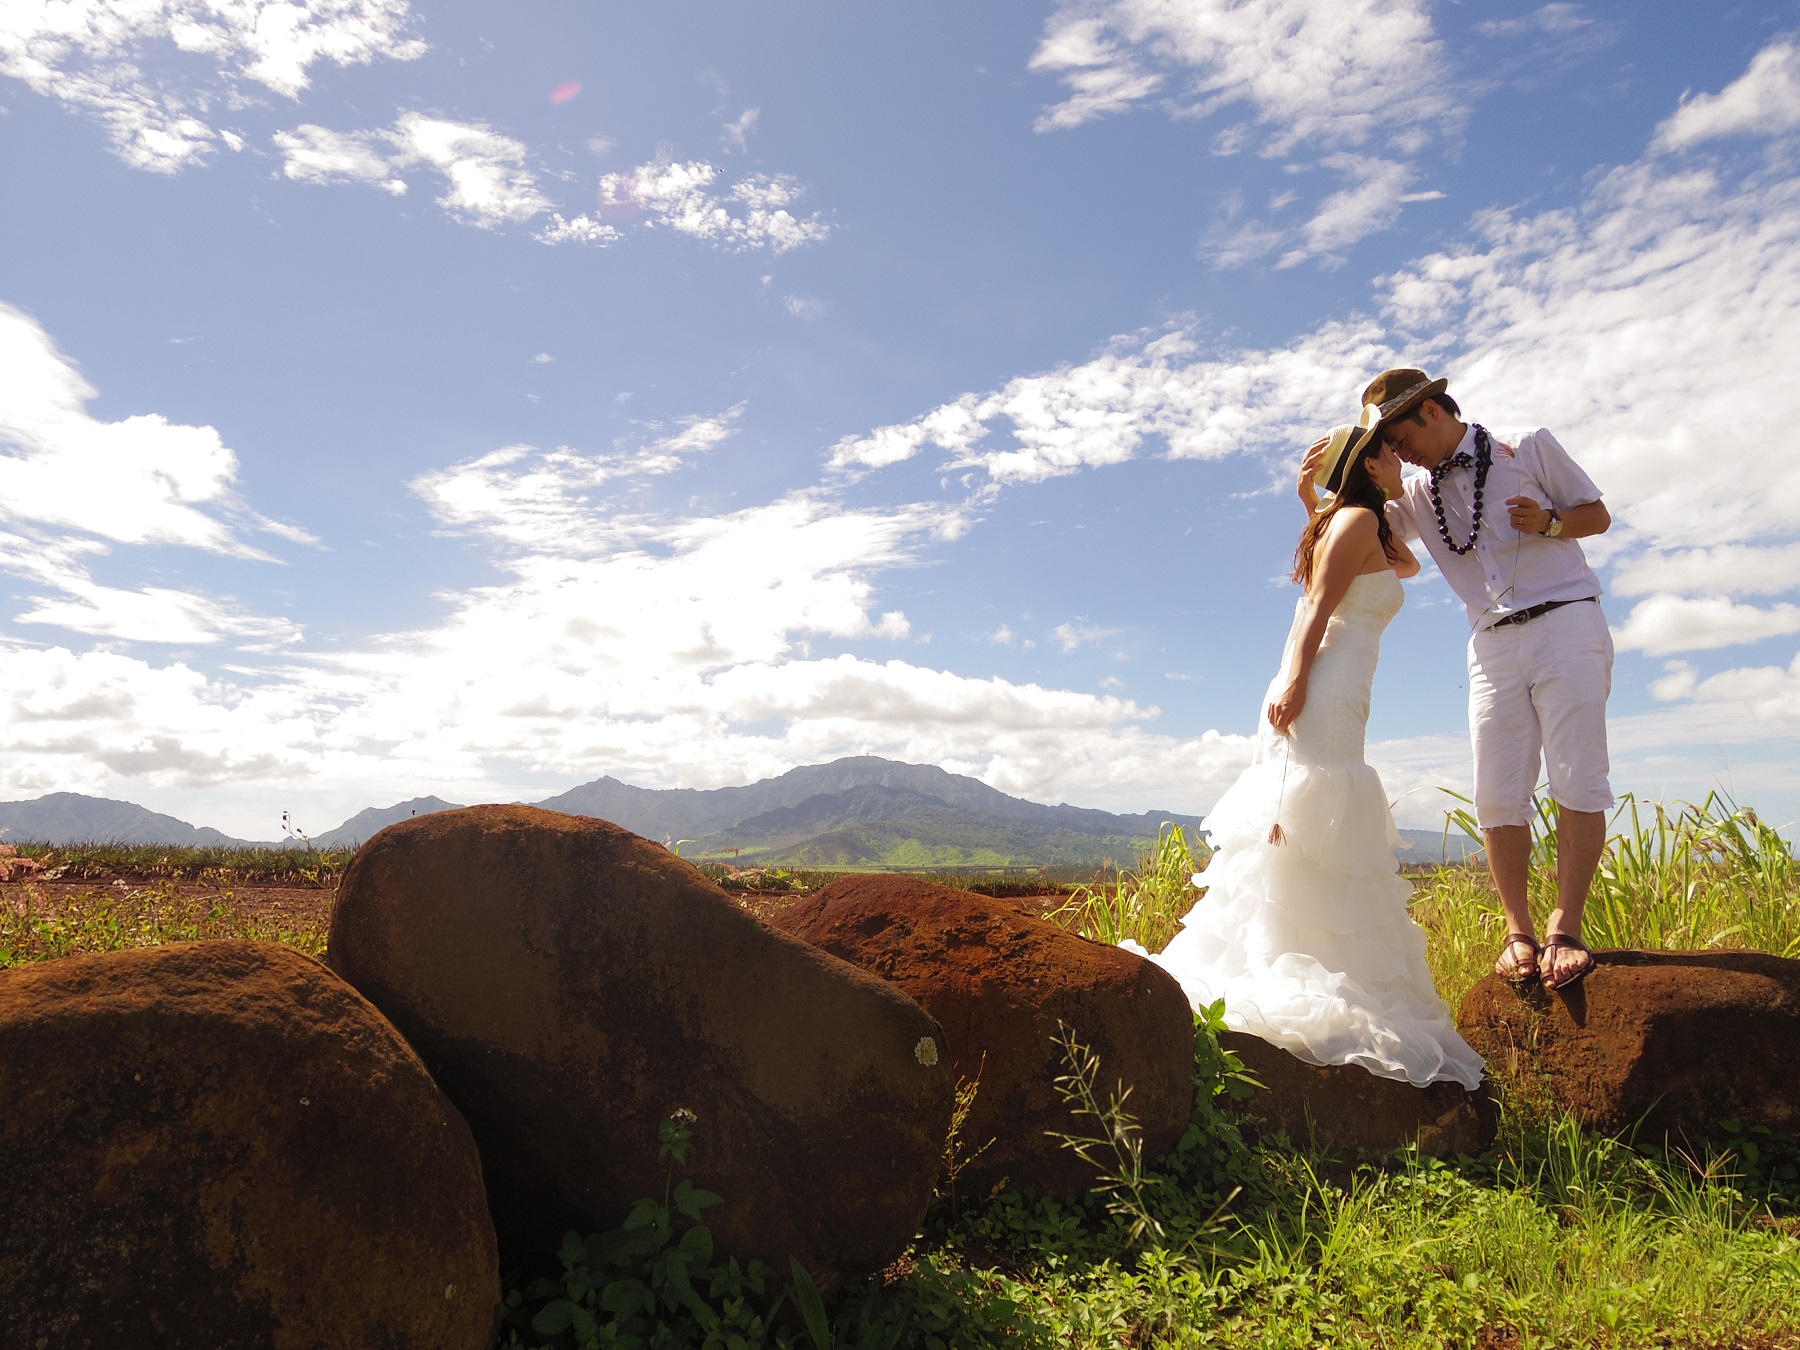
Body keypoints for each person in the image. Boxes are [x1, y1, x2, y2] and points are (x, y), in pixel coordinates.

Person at [1139, 415, 1484, 1091]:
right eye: (1388, 453)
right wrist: (1296, 679)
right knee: (1312, 818)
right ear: (1366, 464)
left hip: (1347, 684)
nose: (1401, 460)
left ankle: (1310, 958)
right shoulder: (1355, 522)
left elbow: (1408, 564)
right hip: (1325, 683)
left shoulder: (1360, 522)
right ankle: (1283, 964)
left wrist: (1330, 502)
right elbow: (1316, 607)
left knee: (1321, 822)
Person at [1325, 368, 1614, 993]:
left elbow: (1598, 514)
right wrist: (1320, 492)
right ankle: (1519, 930)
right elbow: (1368, 540)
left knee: (1577, 773)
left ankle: (1566, 925)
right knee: (1495, 790)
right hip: (1488, 642)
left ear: (1431, 410)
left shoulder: (1527, 444)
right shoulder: (1415, 495)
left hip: (1566, 621)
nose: (1396, 452)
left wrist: (1550, 522)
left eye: (1399, 436)